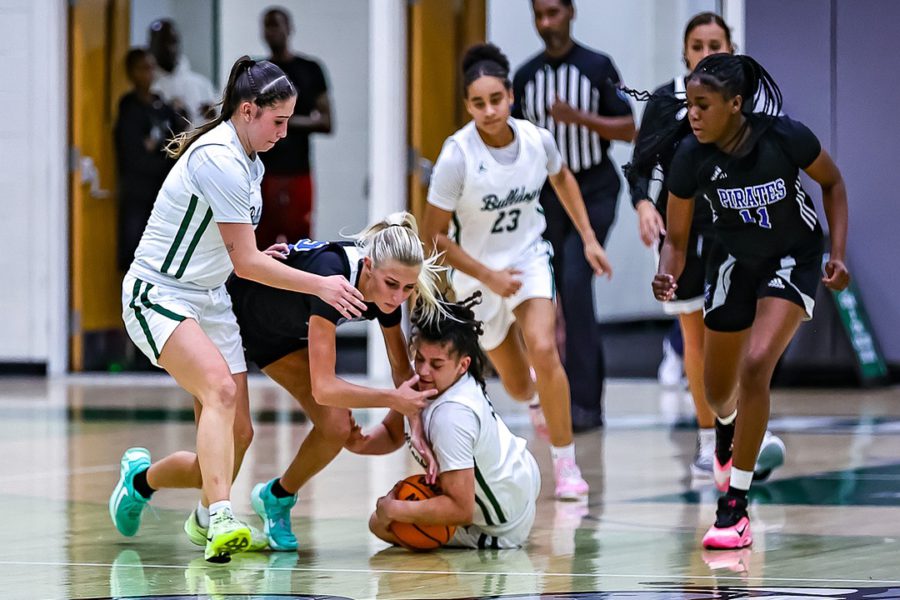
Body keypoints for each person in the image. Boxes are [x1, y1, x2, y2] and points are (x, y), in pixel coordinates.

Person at [108, 56, 367, 564]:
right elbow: (246, 264)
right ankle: (221, 517)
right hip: (159, 293)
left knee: (238, 435)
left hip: (210, 296)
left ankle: (143, 483)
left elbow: (237, 251)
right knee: (220, 390)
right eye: (279, 121)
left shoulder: (251, 160)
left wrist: (255, 253)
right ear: (248, 111)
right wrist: (321, 284)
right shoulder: (219, 159)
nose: (285, 132)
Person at [646, 53, 849, 548]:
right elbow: (676, 240)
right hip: (732, 261)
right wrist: (667, 272)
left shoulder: (785, 137)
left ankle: (734, 508)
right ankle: (726, 431)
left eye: (703, 105)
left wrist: (838, 255)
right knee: (719, 394)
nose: (693, 115)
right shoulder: (689, 157)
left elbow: (833, 183)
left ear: (736, 104)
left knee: (755, 365)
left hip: (792, 258)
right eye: (690, 105)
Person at [421, 43, 612, 500]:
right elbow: (432, 237)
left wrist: (588, 238)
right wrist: (488, 276)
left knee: (544, 347)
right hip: (477, 276)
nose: (489, 110)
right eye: (478, 103)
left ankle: (566, 465)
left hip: (528, 258)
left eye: (496, 99)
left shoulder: (537, 140)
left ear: (510, 96)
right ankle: (535, 401)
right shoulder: (457, 156)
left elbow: (562, 178)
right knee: (517, 383)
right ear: (467, 106)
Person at [222, 212, 444, 551]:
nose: (398, 297)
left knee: (336, 427)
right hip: (233, 322)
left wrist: (417, 429)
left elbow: (402, 371)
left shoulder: (388, 292)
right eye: (392, 284)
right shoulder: (332, 276)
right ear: (368, 266)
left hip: (282, 337)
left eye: (408, 288)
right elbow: (324, 388)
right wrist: (392, 399)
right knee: (239, 435)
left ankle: (277, 497)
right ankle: (147, 482)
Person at [628, 13, 784, 481]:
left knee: (743, 334)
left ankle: (747, 430)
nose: (705, 52)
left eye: (714, 44)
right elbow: (640, 164)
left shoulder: (748, 101)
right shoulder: (666, 100)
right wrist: (643, 205)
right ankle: (709, 439)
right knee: (695, 337)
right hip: (685, 231)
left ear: (730, 48)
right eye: (697, 45)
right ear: (684, 52)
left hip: (736, 225)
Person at [512, 0, 635, 431]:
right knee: (553, 290)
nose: (547, 23)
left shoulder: (598, 67)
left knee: (576, 284)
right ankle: (557, 394)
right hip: (547, 196)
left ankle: (586, 404)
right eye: (539, 15)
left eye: (554, 13)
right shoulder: (526, 76)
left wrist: (577, 118)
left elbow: (629, 129)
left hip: (594, 187)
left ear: (571, 12)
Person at [352, 293, 541, 549]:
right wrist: (356, 441)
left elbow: (461, 509)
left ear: (463, 365)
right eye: (419, 358)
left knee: (380, 524)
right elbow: (393, 432)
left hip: (503, 524)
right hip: (517, 471)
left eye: (436, 364)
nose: (423, 371)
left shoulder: (452, 417)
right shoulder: (432, 381)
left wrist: (395, 509)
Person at [255, 7, 333, 248]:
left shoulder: (310, 70)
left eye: (276, 25)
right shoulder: (257, 73)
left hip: (298, 171)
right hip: (264, 173)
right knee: (262, 243)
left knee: (300, 245)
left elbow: (327, 122)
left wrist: (282, 120)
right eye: (267, 26)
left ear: (289, 29)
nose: (272, 32)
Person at [114, 48, 187, 272]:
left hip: (163, 193)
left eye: (151, 68)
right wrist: (158, 153)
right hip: (137, 193)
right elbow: (134, 155)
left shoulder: (163, 107)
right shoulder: (129, 108)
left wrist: (157, 147)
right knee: (135, 255)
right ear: (131, 72)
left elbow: (177, 142)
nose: (148, 74)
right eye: (142, 68)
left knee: (165, 254)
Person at [148, 19, 218, 128]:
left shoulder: (202, 85)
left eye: (173, 42)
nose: (169, 49)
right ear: (151, 46)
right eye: (161, 43)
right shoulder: (147, 89)